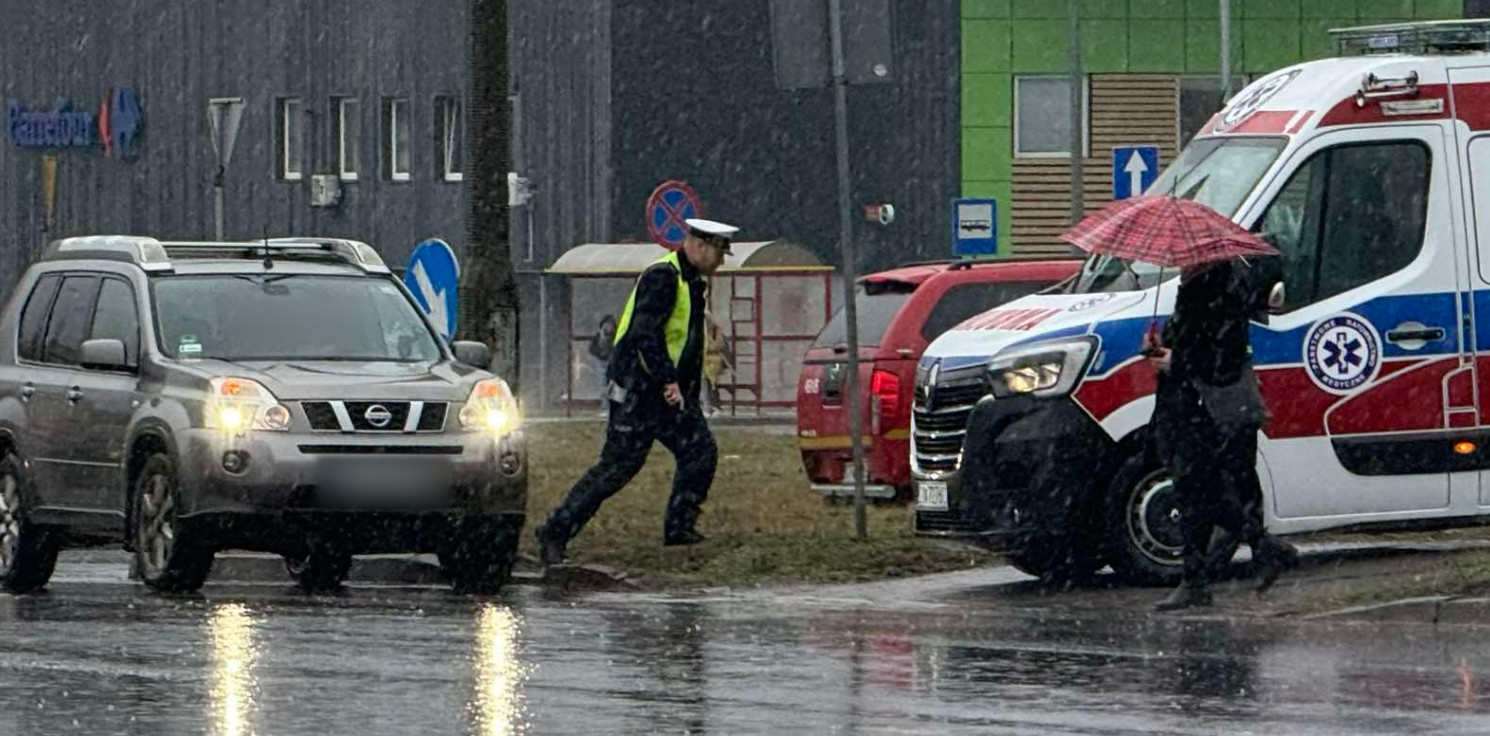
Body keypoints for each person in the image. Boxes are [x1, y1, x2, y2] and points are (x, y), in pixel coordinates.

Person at [535, 218, 739, 565]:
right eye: (719, 254)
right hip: (639, 392)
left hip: (670, 396)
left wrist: (684, 389)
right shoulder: (663, 277)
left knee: (700, 453)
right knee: (617, 468)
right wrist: (667, 379)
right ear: (700, 246)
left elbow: (684, 340)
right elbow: (646, 334)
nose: (721, 263)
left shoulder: (691, 283)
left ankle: (679, 528)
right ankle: (555, 531)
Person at [1145, 258, 1298, 612]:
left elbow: (1222, 354)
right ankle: (1257, 552)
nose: (1178, 261)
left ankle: (1208, 575)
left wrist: (1175, 360)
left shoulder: (1221, 286)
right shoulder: (1196, 287)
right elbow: (1190, 342)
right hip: (1191, 407)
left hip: (1213, 409)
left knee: (1203, 490)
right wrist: (1156, 345)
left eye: (1184, 255)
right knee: (1196, 491)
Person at [701, 314, 732, 415]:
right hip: (705, 360)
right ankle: (710, 406)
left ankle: (708, 406)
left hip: (713, 361)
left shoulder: (714, 330)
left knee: (707, 381)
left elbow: (719, 345)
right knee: (707, 382)